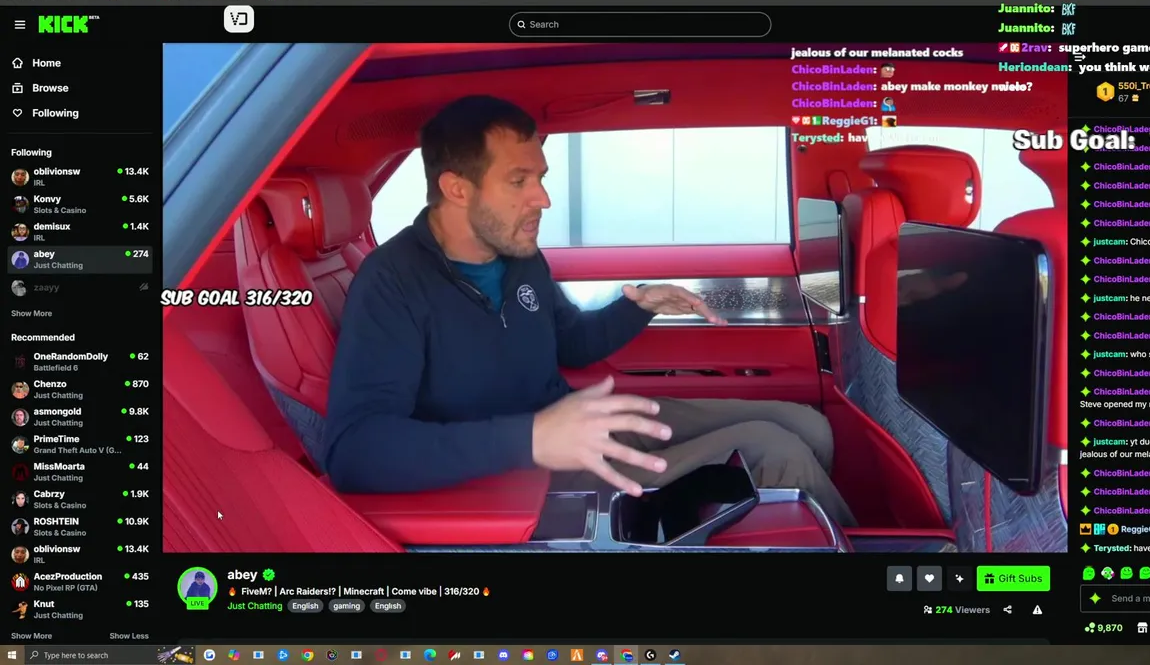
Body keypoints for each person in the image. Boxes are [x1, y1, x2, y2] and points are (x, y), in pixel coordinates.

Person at [324, 95, 858, 527]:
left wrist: (637, 307)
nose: (543, 199)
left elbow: (572, 341)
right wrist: (530, 438)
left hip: (579, 421)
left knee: (807, 425)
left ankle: (781, 534)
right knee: (777, 450)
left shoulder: (519, 257)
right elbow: (355, 451)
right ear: (457, 189)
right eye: (519, 181)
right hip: (527, 474)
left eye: (541, 178)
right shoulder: (392, 284)